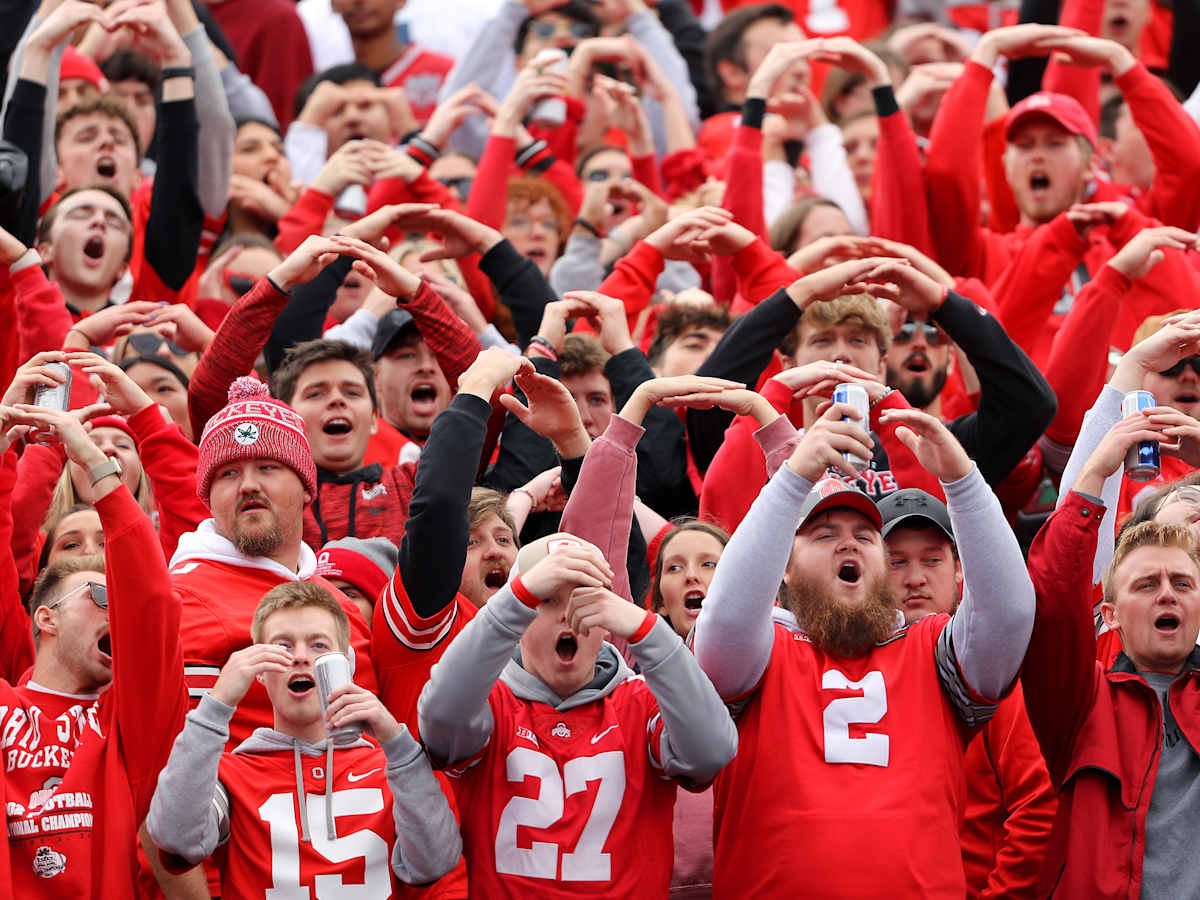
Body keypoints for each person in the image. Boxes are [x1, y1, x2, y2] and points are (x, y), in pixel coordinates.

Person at [693, 401, 1035, 897]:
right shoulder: (760, 651)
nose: (848, 545)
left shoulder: (933, 650)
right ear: (783, 568)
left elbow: (1010, 614)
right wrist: (791, 481)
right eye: (824, 534)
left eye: (866, 536)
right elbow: (724, 618)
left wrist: (962, 481)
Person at [417, 527, 738, 897]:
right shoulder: (491, 701)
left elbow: (712, 752)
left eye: (583, 601)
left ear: (608, 618)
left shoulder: (641, 700)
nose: (567, 617)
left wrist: (647, 632)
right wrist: (514, 600)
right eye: (547, 601)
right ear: (517, 620)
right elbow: (439, 723)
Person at [146, 581, 460, 895]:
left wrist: (395, 739)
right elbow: (175, 837)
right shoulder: (229, 776)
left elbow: (436, 862)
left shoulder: (393, 767)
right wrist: (216, 705)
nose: (300, 657)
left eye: (318, 646)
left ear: (347, 664)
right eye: (282, 647)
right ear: (259, 671)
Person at [0, 402, 186, 897]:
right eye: (101, 597)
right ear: (46, 617)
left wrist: (101, 469)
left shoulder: (130, 723)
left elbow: (153, 602)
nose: (118, 611)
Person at [1022, 412, 1200, 898]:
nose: (1167, 595)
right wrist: (1096, 471)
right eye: (1146, 584)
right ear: (1111, 614)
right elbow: (1053, 600)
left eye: (1182, 583)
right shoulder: (1083, 704)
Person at [171, 375, 376, 747]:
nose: (248, 484)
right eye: (228, 473)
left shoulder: (342, 605)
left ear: (305, 487)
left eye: (267, 467)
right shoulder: (180, 599)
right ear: (209, 499)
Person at [878, 488, 1057, 897]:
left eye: (932, 559)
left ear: (960, 570)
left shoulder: (993, 673)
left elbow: (1037, 805)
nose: (916, 577)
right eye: (897, 562)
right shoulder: (846, 672)